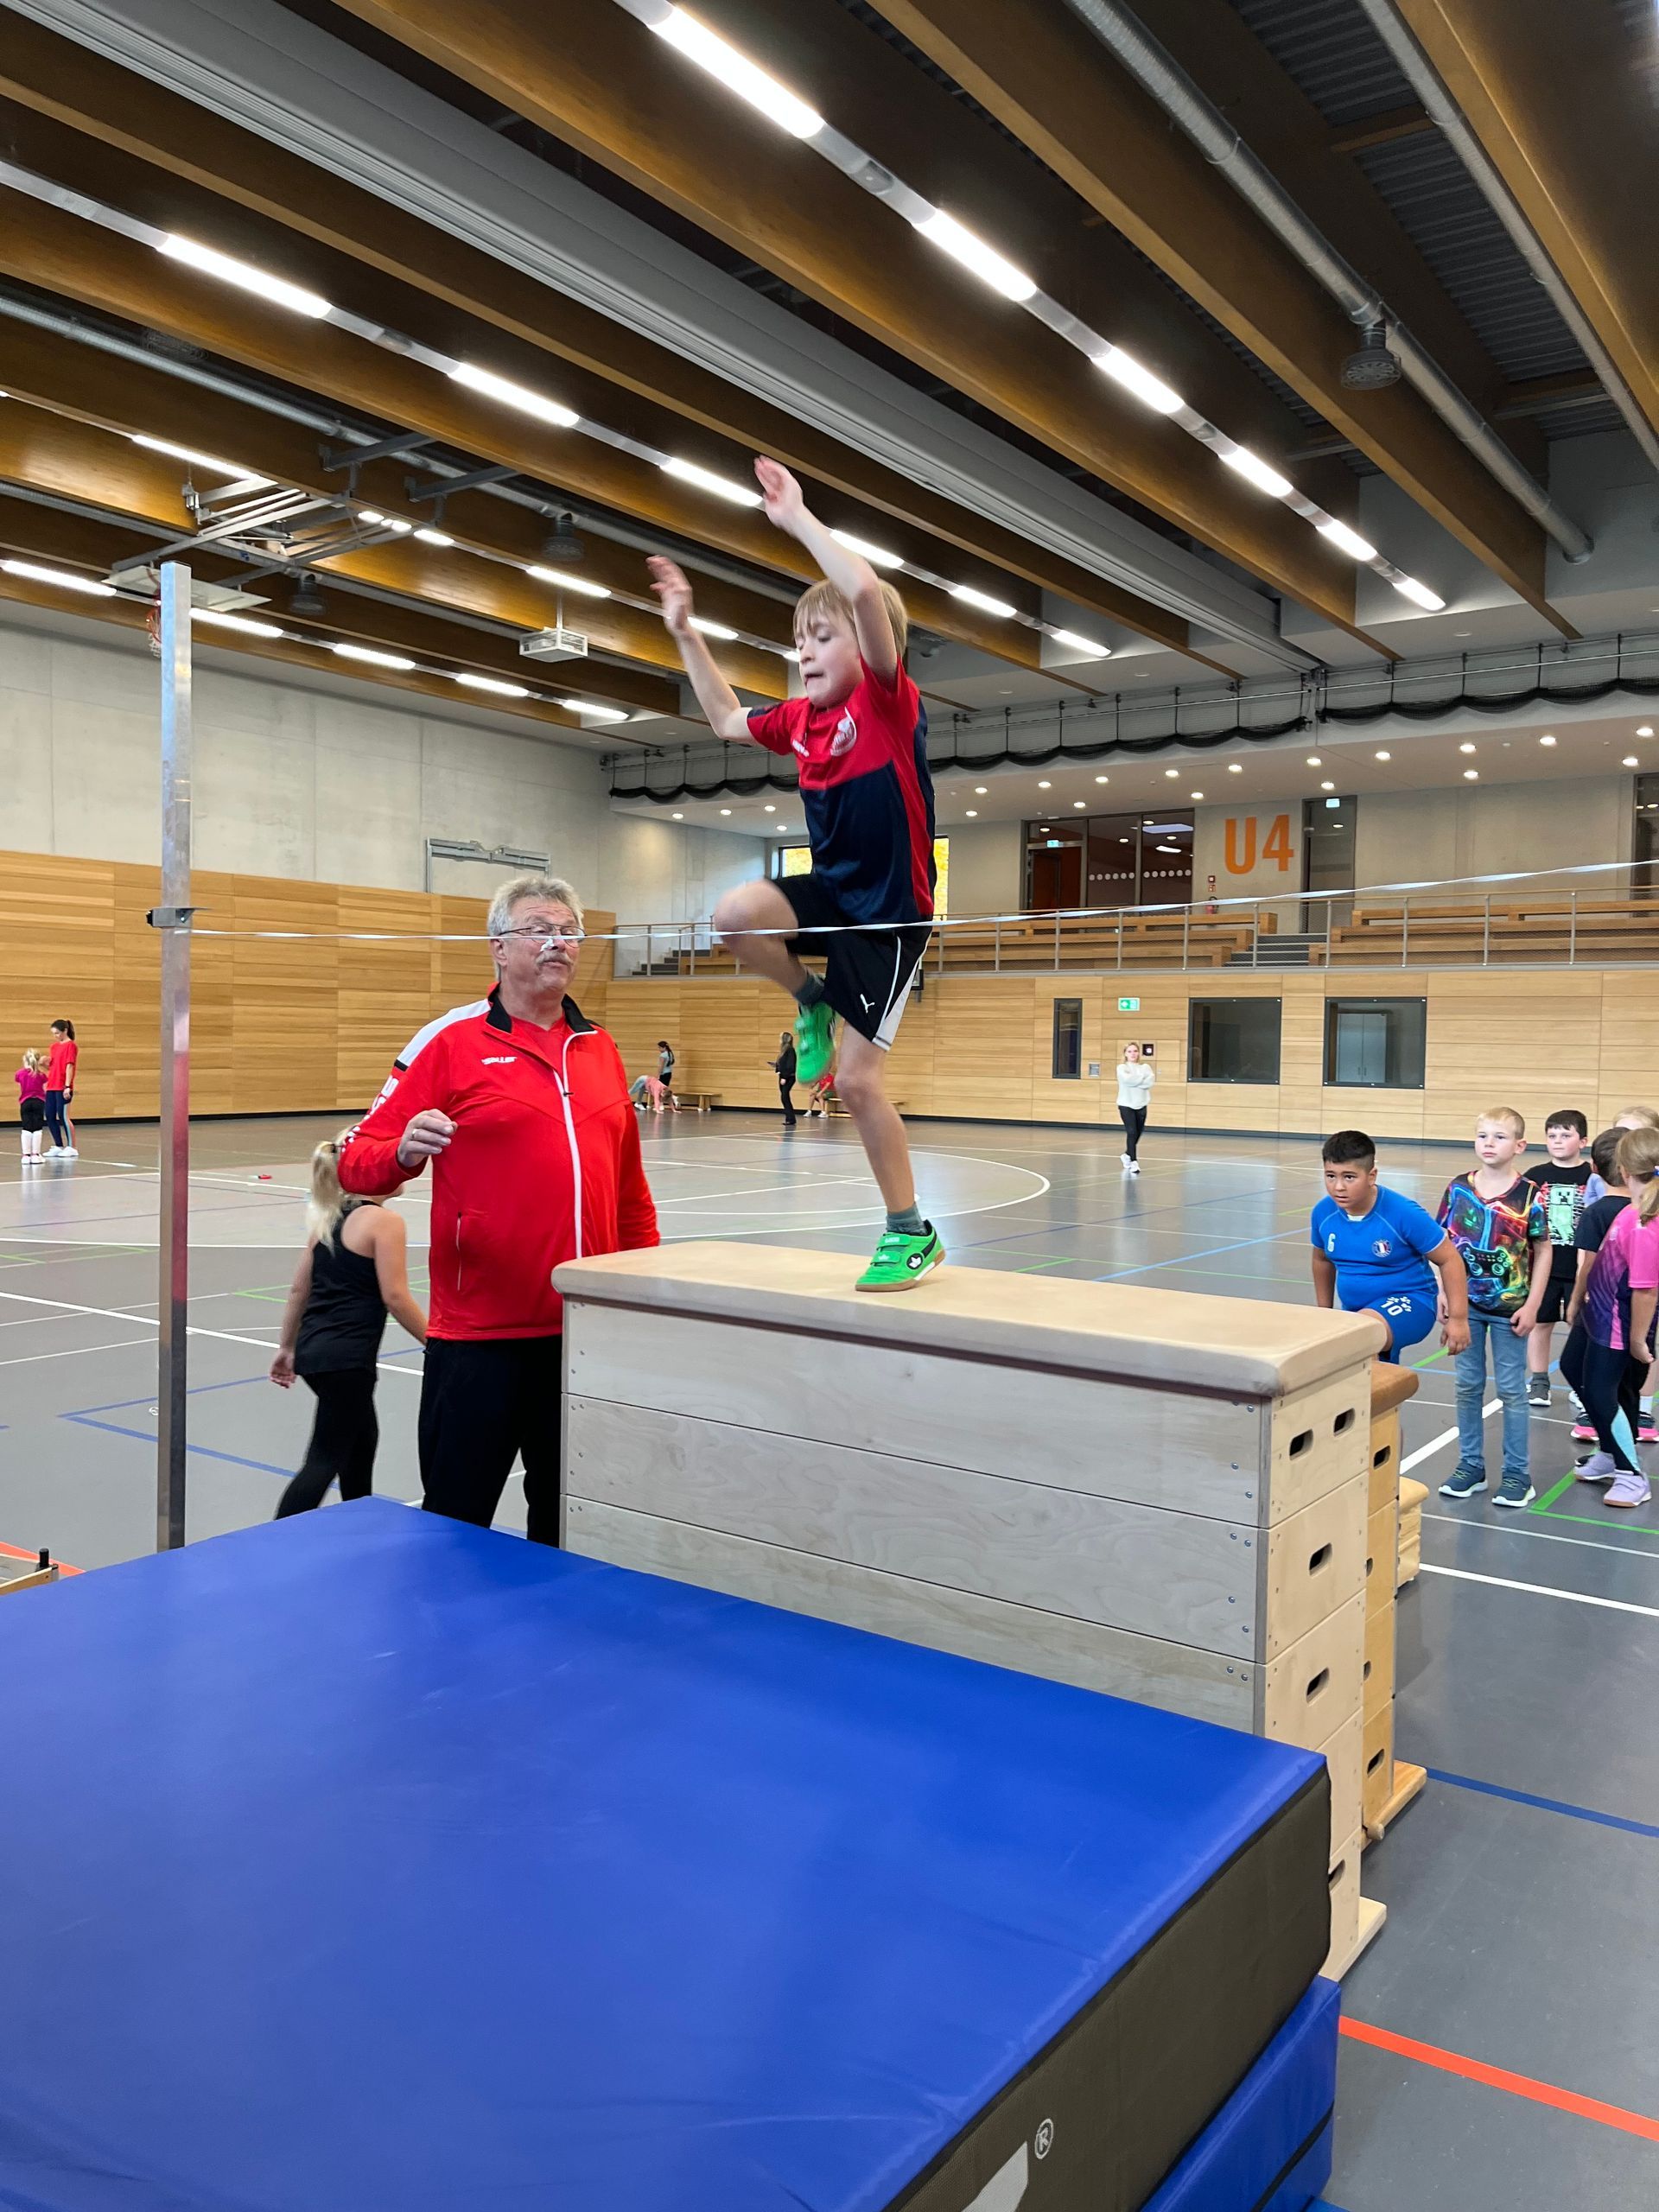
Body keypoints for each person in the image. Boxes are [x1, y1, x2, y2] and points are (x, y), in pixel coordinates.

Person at [649, 456, 942, 1294]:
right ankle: (809, 997)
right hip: (832, 892)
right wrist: (685, 630)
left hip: (889, 918)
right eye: (799, 640)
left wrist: (799, 520)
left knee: (853, 1081)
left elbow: (864, 590)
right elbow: (722, 717)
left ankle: (910, 1231)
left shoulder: (887, 702)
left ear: (869, 645)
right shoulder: (802, 723)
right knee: (734, 916)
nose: (804, 651)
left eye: (823, 636)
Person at [339, 873, 658, 1543]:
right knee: (455, 1524)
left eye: (568, 932)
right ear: (498, 947)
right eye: (538, 930)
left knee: (567, 1524)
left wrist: (643, 1297)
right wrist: (403, 1150)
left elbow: (630, 1193)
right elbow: (355, 1162)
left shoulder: (599, 1048)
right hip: (480, 1340)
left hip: (582, 1332)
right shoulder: (450, 1043)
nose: (557, 943)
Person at [269, 1136, 426, 1518]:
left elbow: (299, 1289)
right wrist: (437, 1341)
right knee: (324, 1458)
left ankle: (358, 1515)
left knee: (361, 1438)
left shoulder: (330, 1218)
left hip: (315, 1352)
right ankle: (276, 1537)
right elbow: (395, 1296)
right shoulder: (384, 1222)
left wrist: (287, 1347)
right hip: (347, 1359)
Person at [1435, 1109, 1551, 1508]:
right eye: (1482, 1135)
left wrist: (1533, 1304)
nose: (1489, 1143)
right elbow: (1441, 1243)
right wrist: (1444, 1293)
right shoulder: (1458, 1189)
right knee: (1467, 1386)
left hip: (1510, 1310)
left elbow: (1543, 1250)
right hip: (1464, 1308)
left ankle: (1518, 1474)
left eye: (1499, 1137)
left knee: (1512, 1391)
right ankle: (1471, 1466)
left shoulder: (1530, 1194)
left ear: (1519, 1146)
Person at [1560, 1125, 1659, 1509]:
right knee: (1572, 1367)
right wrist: (1578, 1300)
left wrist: (1636, 1340)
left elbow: (1646, 1291)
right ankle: (1609, 1450)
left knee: (1604, 1392)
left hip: (1619, 1322)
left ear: (1624, 1168)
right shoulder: (1631, 1211)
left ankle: (1631, 1475)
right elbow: (1596, 1260)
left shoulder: (1646, 1224)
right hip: (1596, 1312)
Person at [1311, 1129, 1469, 1365]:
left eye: (1349, 1177)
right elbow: (1321, 1260)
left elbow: (1449, 1259)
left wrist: (1458, 1318)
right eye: (1330, 1176)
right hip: (1358, 1311)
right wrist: (1324, 1313)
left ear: (1371, 1176)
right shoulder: (1323, 1213)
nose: (1338, 1187)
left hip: (1412, 1301)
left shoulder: (1403, 1213)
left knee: (1360, 1336)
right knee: (1373, 1367)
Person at [1523, 1108, 1592, 1409]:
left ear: (1583, 1141)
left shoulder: (1593, 1177)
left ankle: (1582, 1382)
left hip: (1580, 1267)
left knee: (1583, 1328)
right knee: (1541, 1323)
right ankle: (1539, 1380)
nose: (1558, 1141)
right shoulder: (1534, 1177)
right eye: (1552, 1136)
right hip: (1545, 1268)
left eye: (1566, 1135)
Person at [1116, 1042, 1154, 1176]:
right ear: (1125, 1054)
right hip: (1126, 1104)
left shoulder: (1145, 1067)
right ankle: (1133, 1161)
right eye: (1130, 1051)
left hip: (1141, 1104)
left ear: (1138, 1053)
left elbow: (1149, 1082)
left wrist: (1137, 1080)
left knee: (1138, 1132)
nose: (1133, 1054)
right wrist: (1141, 1078)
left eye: (1135, 1051)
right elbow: (1127, 1081)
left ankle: (1127, 1154)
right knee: (1131, 1132)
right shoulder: (1122, 1068)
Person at [43, 1019, 77, 1159]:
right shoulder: (54, 1047)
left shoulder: (71, 1046)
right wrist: (43, 1063)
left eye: (57, 1033)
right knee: (50, 1115)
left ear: (65, 1031)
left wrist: (67, 1086)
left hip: (62, 1086)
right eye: (53, 1033)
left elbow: (69, 1066)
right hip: (51, 1086)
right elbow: (53, 1068)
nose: (55, 1036)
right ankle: (58, 1145)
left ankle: (72, 1147)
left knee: (63, 1116)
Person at [14, 1049, 47, 1165]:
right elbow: (45, 1086)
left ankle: (26, 1155)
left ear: (25, 1060)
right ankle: (35, 1154)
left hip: (25, 1102)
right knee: (37, 1128)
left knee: (26, 1128)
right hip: (39, 1102)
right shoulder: (41, 1075)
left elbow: (18, 1081)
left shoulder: (20, 1073)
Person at [772, 1028, 798, 1128]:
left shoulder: (790, 1050)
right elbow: (783, 1064)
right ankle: (790, 1118)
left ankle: (790, 1118)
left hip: (788, 1077)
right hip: (783, 1076)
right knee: (784, 1097)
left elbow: (791, 1065)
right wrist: (777, 1066)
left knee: (784, 1097)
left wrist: (784, 1077)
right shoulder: (783, 1051)